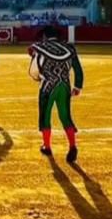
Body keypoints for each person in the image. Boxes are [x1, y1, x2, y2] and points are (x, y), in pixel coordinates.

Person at [27, 26, 84, 162]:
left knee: (45, 116)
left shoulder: (40, 48)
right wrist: (77, 86)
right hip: (64, 85)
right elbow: (78, 69)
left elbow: (34, 71)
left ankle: (47, 146)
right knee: (65, 116)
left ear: (45, 36)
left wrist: (39, 78)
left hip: (47, 86)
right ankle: (72, 146)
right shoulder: (69, 48)